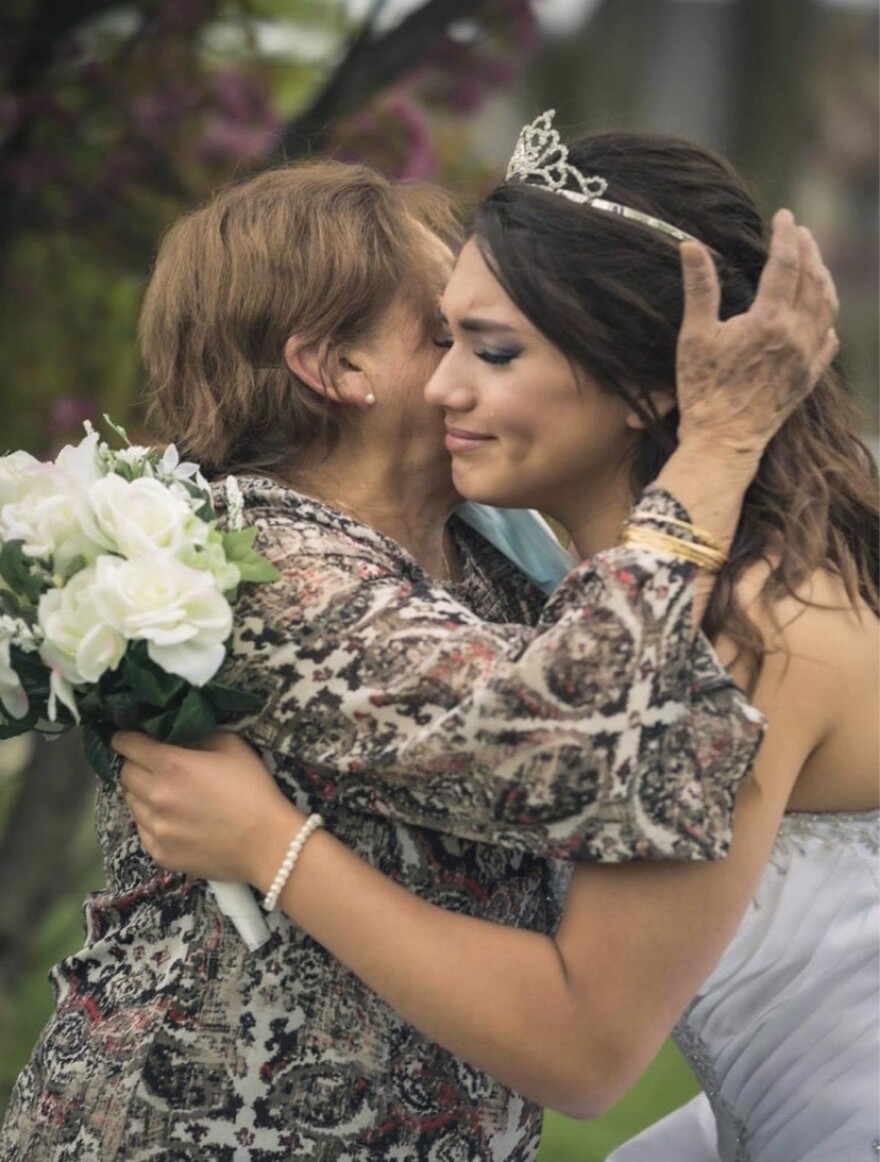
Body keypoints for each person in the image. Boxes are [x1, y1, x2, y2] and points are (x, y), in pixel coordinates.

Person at [1, 133, 840, 1162]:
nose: (459, 377)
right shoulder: (268, 563)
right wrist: (716, 445)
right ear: (335, 366)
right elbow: (569, 749)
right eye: (445, 334)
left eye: (489, 343)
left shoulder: (490, 568)